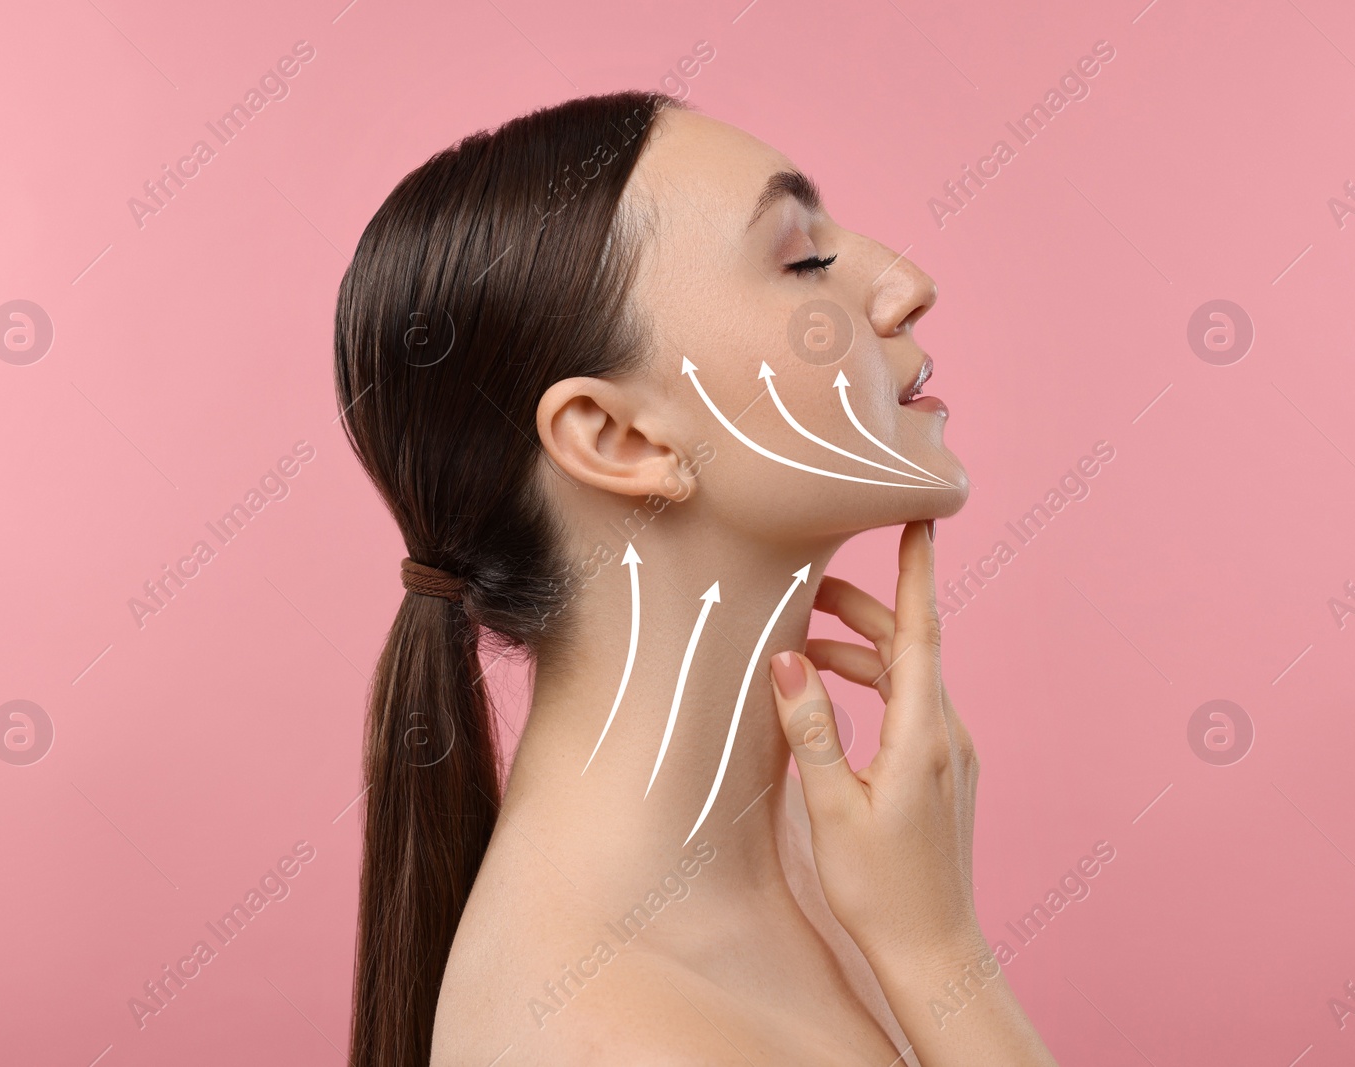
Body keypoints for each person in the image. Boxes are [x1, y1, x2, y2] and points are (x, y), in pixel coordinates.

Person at [334, 89, 1058, 1066]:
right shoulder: (601, 1035)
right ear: (619, 436)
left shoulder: (832, 856)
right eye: (802, 260)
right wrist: (938, 958)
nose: (905, 284)